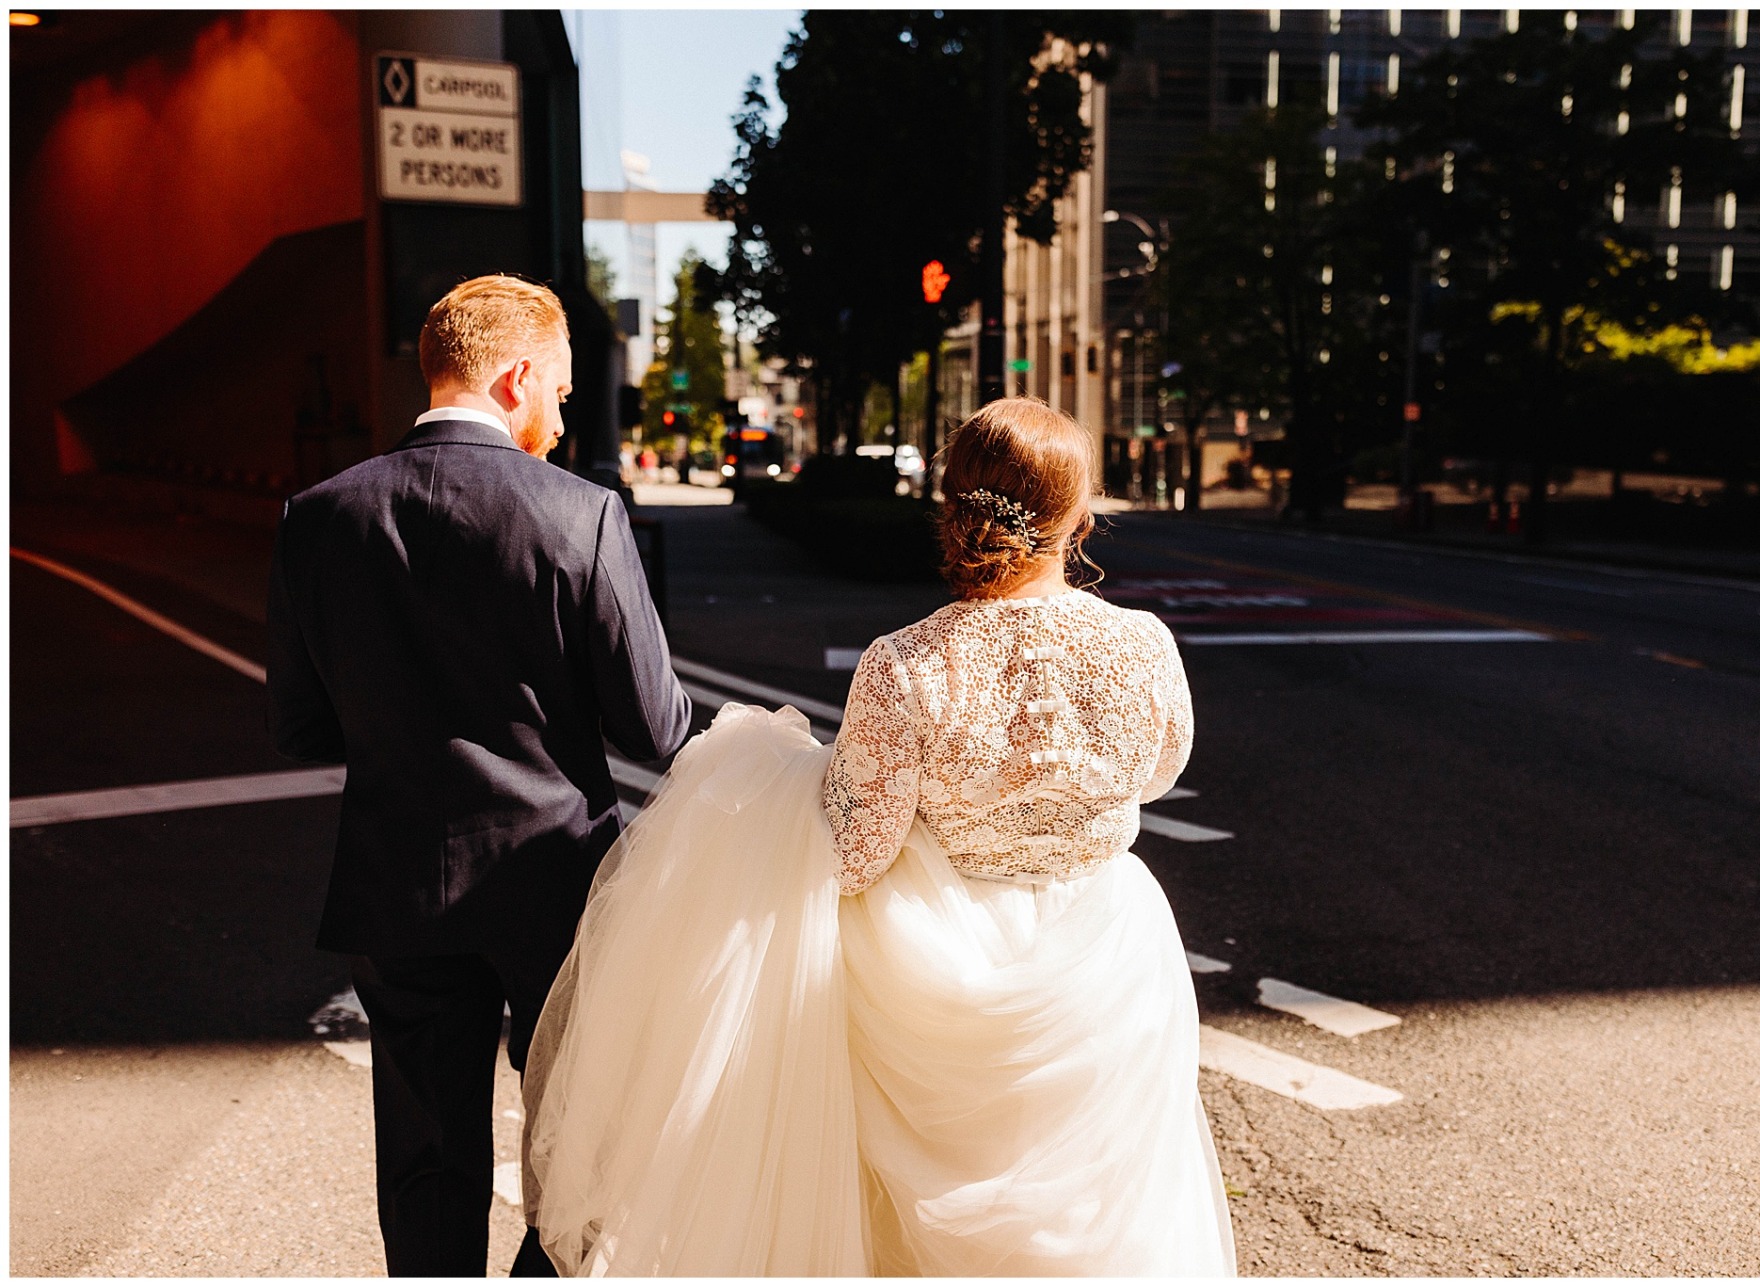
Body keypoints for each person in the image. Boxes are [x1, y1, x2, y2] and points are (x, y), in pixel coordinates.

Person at [524, 396, 1236, 1275]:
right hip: (1104, 958)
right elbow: (1158, 773)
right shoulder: (1146, 648)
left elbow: (855, 853)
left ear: (952, 509)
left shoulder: (905, 662)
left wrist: (779, 782)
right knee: (1114, 1205)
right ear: (1079, 517)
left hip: (936, 968)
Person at [266, 274, 692, 1277]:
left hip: (397, 878)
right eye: (561, 391)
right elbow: (653, 725)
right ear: (516, 378)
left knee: (424, 1156)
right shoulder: (579, 514)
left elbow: (297, 726)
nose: (561, 411)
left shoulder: (319, 517)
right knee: (586, 1142)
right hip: (555, 881)